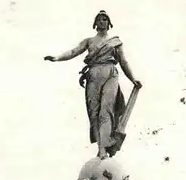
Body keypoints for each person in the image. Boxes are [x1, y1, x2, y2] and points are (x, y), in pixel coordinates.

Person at [44, 10, 142, 159]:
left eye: (104, 19)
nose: (102, 21)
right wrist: (57, 58)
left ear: (109, 23)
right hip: (93, 75)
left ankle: (105, 146)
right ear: (95, 23)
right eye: (99, 19)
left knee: (106, 109)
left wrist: (133, 79)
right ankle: (101, 148)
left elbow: (123, 62)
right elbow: (73, 51)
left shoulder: (115, 42)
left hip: (110, 73)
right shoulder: (89, 41)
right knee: (94, 113)